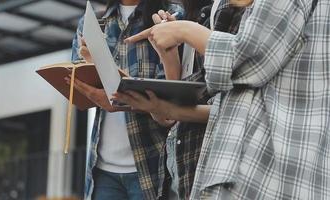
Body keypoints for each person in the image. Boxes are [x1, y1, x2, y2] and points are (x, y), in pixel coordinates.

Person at [119, 0, 330, 199]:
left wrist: (185, 31)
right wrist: (166, 107)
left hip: (260, 170)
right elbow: (238, 97)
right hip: (264, 168)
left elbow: (246, 61)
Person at [113, 0, 246, 199]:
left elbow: (236, 107)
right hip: (176, 168)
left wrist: (166, 109)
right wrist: (168, 56)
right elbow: (169, 119)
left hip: (213, 167)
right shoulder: (184, 19)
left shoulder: (226, 16)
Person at [70, 0, 183, 199]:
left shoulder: (170, 16)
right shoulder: (93, 21)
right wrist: (90, 66)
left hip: (153, 163)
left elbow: (172, 93)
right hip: (102, 169)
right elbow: (79, 89)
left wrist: (120, 101)